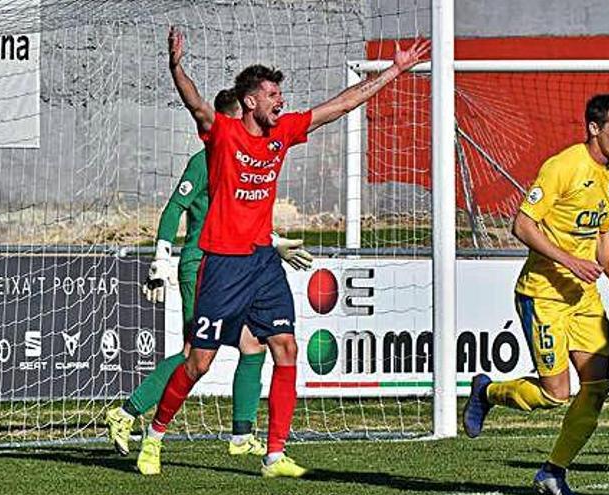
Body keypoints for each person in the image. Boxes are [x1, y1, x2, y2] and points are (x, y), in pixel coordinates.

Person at [133, 26, 430, 478]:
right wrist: (176, 66)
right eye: (272, 94)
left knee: (286, 348)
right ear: (250, 101)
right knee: (199, 360)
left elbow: (343, 104)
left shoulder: (284, 133)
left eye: (280, 93)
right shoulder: (225, 134)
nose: (280, 100)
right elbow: (195, 103)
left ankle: (274, 455)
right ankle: (154, 435)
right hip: (223, 263)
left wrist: (395, 69)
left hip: (262, 262)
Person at [105, 89, 313, 458]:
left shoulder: (247, 157)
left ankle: (241, 435)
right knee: (194, 353)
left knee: (254, 346)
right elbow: (174, 209)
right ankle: (126, 412)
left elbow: (241, 214)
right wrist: (162, 257)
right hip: (205, 265)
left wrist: (273, 240)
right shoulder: (205, 161)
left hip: (243, 264)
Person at [463, 94, 609, 495]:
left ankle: (553, 472)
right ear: (594, 128)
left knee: (596, 386)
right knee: (556, 394)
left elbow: (601, 232)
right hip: (542, 294)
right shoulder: (563, 166)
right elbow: (521, 225)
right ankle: (487, 391)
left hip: (585, 297)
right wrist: (570, 262)